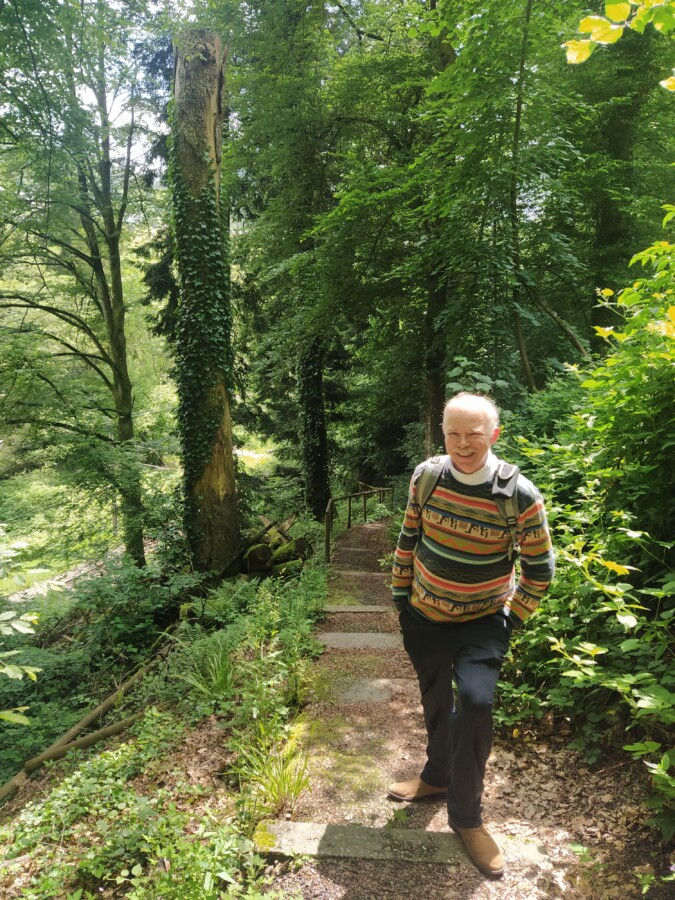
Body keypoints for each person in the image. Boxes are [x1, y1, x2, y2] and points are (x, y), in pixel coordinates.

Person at [389, 392, 555, 877]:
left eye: (474, 435)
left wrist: (511, 619)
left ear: (493, 435)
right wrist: (402, 601)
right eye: (454, 433)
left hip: (484, 621)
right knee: (436, 700)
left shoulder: (518, 495)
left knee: (476, 704)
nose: (463, 444)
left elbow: (540, 570)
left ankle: (468, 817)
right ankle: (436, 777)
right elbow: (408, 538)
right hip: (423, 617)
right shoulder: (428, 477)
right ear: (443, 433)